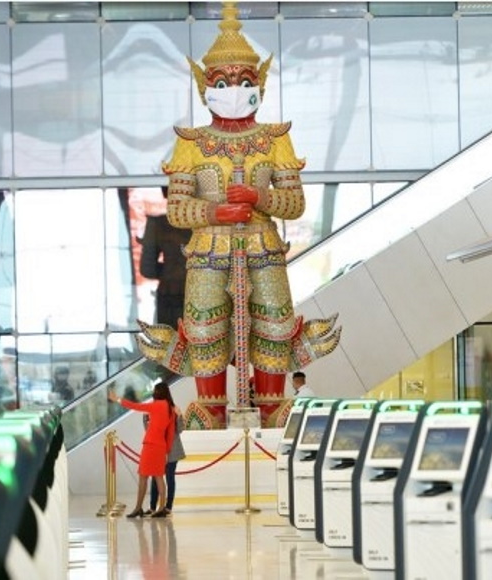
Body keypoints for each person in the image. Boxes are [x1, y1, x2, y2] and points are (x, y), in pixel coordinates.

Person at [135, 2, 340, 428]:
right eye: (222, 82)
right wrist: (216, 210)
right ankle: (211, 408)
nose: (233, 89)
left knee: (274, 324)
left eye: (244, 81)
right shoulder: (191, 142)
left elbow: (295, 203)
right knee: (205, 326)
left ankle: (271, 405)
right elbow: (178, 208)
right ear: (204, 86)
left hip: (264, 246)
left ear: (258, 84)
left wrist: (258, 196)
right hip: (208, 249)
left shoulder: (274, 139)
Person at [107, 382, 175, 518]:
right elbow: (170, 434)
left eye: (155, 390)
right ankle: (162, 507)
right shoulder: (171, 409)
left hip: (150, 445)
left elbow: (136, 406)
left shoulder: (156, 405)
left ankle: (138, 508)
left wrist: (118, 399)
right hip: (161, 446)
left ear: (159, 392)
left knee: (143, 476)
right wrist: (167, 451)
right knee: (159, 477)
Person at [139, 186, 190, 328]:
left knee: (170, 339)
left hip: (170, 293)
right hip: (203, 294)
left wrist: (170, 270)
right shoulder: (207, 225)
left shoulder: (157, 224)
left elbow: (148, 269)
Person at [145, 404, 185, 516]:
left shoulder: (173, 409)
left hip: (172, 451)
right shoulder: (154, 409)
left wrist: (179, 415)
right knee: (155, 478)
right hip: (158, 450)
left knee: (169, 478)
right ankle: (153, 507)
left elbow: (180, 429)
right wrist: (146, 417)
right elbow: (148, 430)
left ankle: (168, 507)